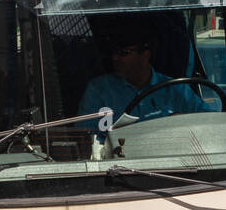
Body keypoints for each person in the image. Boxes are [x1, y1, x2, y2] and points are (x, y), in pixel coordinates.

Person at [78, 27, 207, 133]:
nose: (115, 58)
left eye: (123, 53)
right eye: (114, 52)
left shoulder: (176, 90)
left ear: (145, 55)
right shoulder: (99, 90)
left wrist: (183, 122)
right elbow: (84, 137)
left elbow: (211, 121)